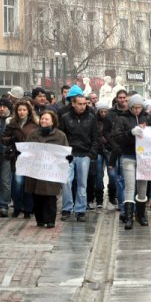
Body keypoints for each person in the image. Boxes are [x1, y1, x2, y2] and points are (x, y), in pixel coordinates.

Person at [109, 94, 149, 229]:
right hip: (128, 155)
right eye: (134, 107)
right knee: (130, 186)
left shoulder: (148, 118)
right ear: (130, 107)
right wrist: (130, 133)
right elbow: (116, 137)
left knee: (142, 187)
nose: (137, 110)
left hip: (144, 157)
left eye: (139, 107)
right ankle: (128, 216)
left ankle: (141, 214)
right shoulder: (122, 119)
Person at [59, 89, 99, 222]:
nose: (83, 106)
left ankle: (80, 209)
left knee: (82, 183)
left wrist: (90, 154)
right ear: (73, 104)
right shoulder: (65, 118)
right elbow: (61, 136)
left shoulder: (91, 117)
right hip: (69, 153)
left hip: (84, 154)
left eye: (84, 104)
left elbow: (95, 137)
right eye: (80, 104)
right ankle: (67, 208)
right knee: (66, 182)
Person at [25, 111, 69, 228]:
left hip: (51, 169)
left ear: (53, 121)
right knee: (37, 196)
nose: (43, 121)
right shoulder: (33, 134)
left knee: (50, 196)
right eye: (42, 119)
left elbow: (65, 152)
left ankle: (50, 220)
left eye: (46, 119)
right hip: (35, 169)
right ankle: (39, 219)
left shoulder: (60, 135)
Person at [1, 99, 39, 219]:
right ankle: (17, 207)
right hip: (17, 157)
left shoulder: (35, 124)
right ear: (16, 111)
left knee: (28, 184)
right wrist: (10, 139)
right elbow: (3, 138)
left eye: (24, 110)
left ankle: (28, 209)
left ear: (28, 111)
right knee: (17, 183)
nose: (21, 112)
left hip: (31, 157)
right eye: (19, 110)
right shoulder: (12, 124)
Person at [94, 101, 116, 207]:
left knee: (112, 175)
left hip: (109, 150)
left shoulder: (112, 120)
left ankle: (112, 195)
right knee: (99, 175)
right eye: (101, 111)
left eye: (105, 111)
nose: (103, 113)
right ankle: (99, 198)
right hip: (98, 150)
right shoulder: (94, 121)